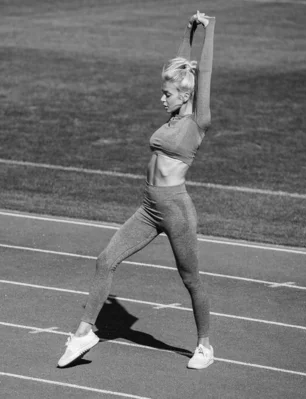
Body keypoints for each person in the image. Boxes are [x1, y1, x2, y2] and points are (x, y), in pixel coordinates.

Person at [58, 11, 216, 370]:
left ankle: (204, 345)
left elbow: (201, 74)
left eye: (167, 93)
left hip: (176, 209)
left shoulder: (197, 121)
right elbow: (181, 66)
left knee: (190, 279)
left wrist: (211, 29)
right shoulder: (174, 118)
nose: (162, 98)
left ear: (184, 94)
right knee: (105, 260)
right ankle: (85, 331)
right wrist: (188, 30)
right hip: (148, 207)